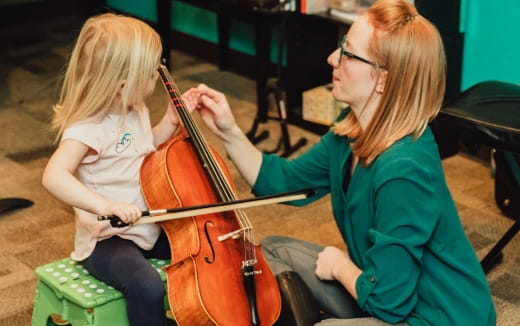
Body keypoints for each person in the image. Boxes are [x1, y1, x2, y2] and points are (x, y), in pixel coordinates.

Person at [190, 0, 496, 325]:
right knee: (274, 251)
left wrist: (340, 267)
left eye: (348, 53)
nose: (332, 58)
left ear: (382, 79)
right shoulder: (350, 130)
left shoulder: (405, 169)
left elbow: (390, 302)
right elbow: (285, 183)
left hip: (437, 316)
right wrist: (230, 131)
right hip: (382, 288)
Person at [42, 13, 198, 326]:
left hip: (146, 226)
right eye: (151, 75)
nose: (158, 81)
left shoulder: (134, 108)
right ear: (122, 84)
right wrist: (105, 206)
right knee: (145, 285)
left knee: (198, 246)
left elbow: (141, 148)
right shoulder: (88, 129)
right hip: (107, 239)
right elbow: (53, 176)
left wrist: (169, 122)